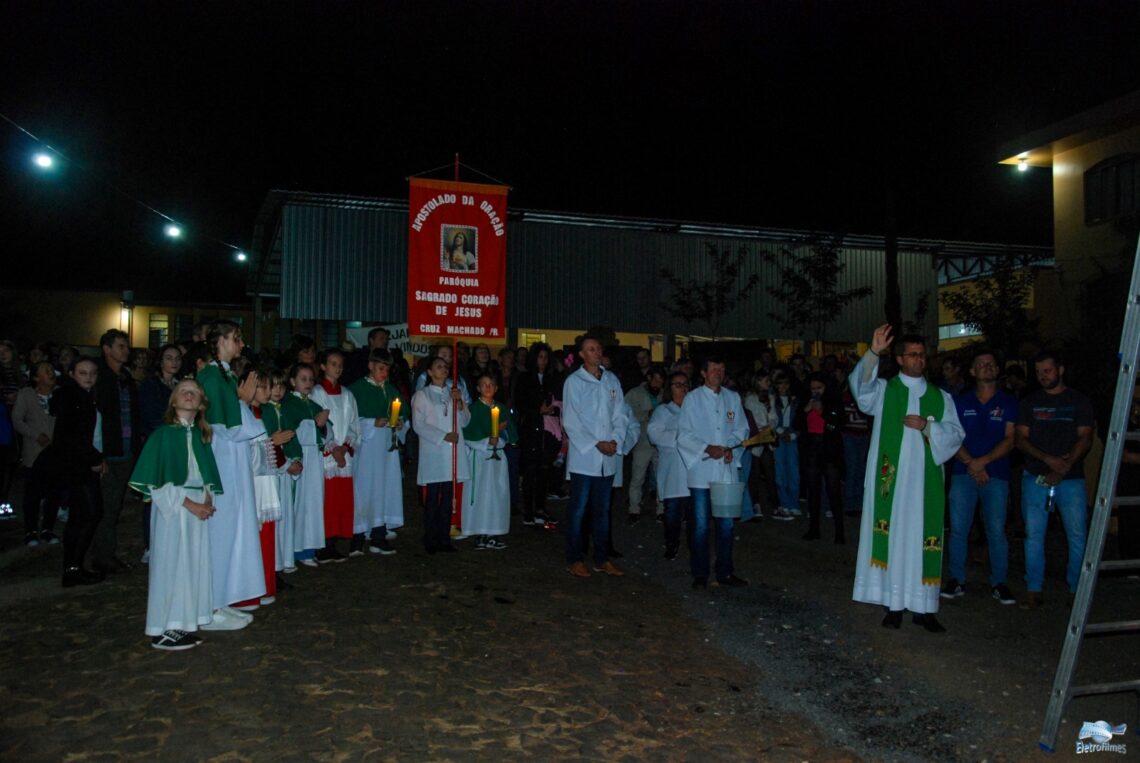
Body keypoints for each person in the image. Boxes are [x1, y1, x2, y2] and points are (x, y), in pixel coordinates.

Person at [849, 325, 964, 633]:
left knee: (921, 539)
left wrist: (928, 429)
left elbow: (955, 435)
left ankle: (925, 607)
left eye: (922, 355)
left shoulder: (940, 397)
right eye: (913, 355)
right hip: (893, 483)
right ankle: (893, 604)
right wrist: (873, 352)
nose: (919, 360)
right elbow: (860, 390)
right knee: (896, 539)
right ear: (899, 359)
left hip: (925, 484)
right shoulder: (886, 391)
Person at [128, 379, 222, 651]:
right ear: (173, 400)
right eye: (184, 391)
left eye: (195, 392)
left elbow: (206, 476)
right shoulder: (163, 436)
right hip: (174, 510)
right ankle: (164, 627)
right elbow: (156, 484)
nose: (190, 395)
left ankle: (183, 622)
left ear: (202, 402)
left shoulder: (202, 437)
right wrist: (190, 504)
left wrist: (206, 498)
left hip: (196, 510)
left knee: (191, 567)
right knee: (171, 566)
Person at [194, 321, 262, 628]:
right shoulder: (210, 375)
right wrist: (243, 402)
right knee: (219, 531)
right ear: (219, 340)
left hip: (232, 460)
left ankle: (221, 597)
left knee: (233, 527)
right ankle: (207, 606)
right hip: (221, 458)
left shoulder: (224, 373)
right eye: (236, 338)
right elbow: (226, 427)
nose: (241, 344)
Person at [1015, 350, 1095, 610]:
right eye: (1038, 372)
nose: (1042, 376)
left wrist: (1065, 465)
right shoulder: (1030, 402)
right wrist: (1048, 460)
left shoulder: (1079, 401)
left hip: (1070, 479)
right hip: (1036, 477)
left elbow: (1085, 437)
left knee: (1077, 534)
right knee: (1034, 535)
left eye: (1047, 371)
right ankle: (1033, 589)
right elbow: (1021, 439)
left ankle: (1077, 590)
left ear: (1060, 370)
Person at [941, 348, 1019, 605]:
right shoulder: (960, 402)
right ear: (972, 372)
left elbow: (1010, 440)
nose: (987, 367)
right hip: (963, 474)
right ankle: (956, 579)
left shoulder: (1008, 402)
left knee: (996, 531)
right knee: (959, 529)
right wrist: (970, 463)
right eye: (981, 364)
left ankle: (999, 583)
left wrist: (981, 463)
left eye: (991, 363)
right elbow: (953, 436)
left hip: (996, 475)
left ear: (997, 370)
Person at [677, 356, 750, 588]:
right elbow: (685, 434)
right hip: (702, 470)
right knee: (700, 525)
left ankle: (725, 571)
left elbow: (741, 429)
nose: (718, 372)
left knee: (726, 525)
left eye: (721, 368)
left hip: (725, 471)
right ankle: (700, 573)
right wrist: (707, 448)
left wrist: (731, 448)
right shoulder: (693, 399)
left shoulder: (732, 398)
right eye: (714, 369)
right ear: (703, 373)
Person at [562, 336, 629, 578]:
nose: (596, 352)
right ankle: (574, 558)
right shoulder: (574, 382)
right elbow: (571, 419)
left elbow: (621, 414)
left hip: (607, 457)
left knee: (603, 510)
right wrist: (595, 443)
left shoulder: (611, 380)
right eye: (591, 349)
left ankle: (602, 558)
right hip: (585, 457)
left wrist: (615, 441)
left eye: (599, 348)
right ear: (581, 354)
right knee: (579, 509)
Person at [35, 358, 106, 587]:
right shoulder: (71, 396)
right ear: (72, 373)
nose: (88, 377)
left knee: (84, 515)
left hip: (78, 462)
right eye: (83, 373)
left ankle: (73, 567)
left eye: (92, 373)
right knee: (88, 513)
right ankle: (72, 567)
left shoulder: (83, 397)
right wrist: (94, 458)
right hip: (77, 465)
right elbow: (72, 435)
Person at [91, 329, 142, 575]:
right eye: (120, 346)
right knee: (106, 507)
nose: (126, 350)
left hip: (125, 450)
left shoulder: (125, 378)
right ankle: (102, 556)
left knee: (113, 506)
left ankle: (104, 553)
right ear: (107, 349)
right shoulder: (99, 378)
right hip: (108, 452)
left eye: (126, 346)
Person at [348, 349, 405, 556]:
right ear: (370, 365)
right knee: (363, 489)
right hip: (366, 450)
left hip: (386, 450)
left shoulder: (391, 391)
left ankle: (378, 535)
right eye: (381, 368)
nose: (385, 373)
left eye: (388, 370)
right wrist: (373, 422)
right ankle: (358, 536)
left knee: (384, 488)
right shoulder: (356, 390)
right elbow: (350, 422)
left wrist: (399, 424)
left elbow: (403, 414)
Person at [413, 356, 470, 554]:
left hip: (452, 452)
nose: (443, 369)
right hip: (434, 452)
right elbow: (418, 424)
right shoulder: (423, 395)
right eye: (438, 366)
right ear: (429, 372)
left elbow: (464, 422)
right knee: (432, 499)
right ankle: (430, 537)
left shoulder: (453, 393)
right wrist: (443, 436)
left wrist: (460, 404)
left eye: (446, 367)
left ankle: (444, 538)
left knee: (447, 497)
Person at [310, 349, 359, 563]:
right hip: (326, 458)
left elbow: (354, 427)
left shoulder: (348, 395)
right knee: (325, 501)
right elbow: (316, 425)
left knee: (340, 501)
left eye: (340, 364)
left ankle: (336, 541)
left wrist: (344, 448)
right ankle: (323, 544)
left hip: (343, 457)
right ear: (323, 366)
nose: (337, 368)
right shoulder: (316, 393)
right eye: (332, 363)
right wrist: (332, 449)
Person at [462, 373, 517, 549]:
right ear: (478, 388)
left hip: (498, 458)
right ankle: (479, 532)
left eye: (491, 384)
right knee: (481, 495)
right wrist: (486, 441)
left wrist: (500, 435)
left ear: (496, 388)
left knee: (497, 495)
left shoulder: (500, 408)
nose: (488, 387)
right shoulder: (473, 410)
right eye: (484, 384)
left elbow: (511, 435)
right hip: (480, 458)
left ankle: (493, 531)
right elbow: (468, 435)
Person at [282, 362, 329, 568]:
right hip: (300, 458)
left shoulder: (314, 405)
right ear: (292, 381)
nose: (308, 383)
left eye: (311, 379)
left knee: (313, 504)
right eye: (303, 379)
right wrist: (312, 424)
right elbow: (290, 431)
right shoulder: (288, 404)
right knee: (298, 504)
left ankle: (308, 548)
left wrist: (323, 426)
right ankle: (293, 549)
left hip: (315, 461)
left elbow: (328, 435)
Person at [514, 342, 561, 527]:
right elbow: (520, 403)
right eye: (540, 357)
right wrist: (537, 410)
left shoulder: (552, 379)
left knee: (544, 470)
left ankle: (540, 507)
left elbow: (559, 403)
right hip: (531, 429)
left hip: (547, 431)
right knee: (530, 471)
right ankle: (528, 510)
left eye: (545, 357)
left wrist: (551, 410)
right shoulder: (525, 378)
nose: (543, 361)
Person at [13, 361, 59, 545]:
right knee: (33, 493)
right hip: (35, 451)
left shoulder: (59, 394)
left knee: (53, 492)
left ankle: (48, 528)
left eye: (51, 369)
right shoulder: (27, 395)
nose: (50, 373)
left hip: (56, 452)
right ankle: (30, 530)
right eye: (45, 371)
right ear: (35, 377)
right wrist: (35, 435)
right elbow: (17, 420)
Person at [648, 371, 692, 560]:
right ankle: (672, 544)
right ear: (669, 389)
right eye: (677, 384)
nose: (682, 388)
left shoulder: (695, 411)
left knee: (694, 512)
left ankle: (694, 545)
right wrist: (681, 438)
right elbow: (654, 434)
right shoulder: (663, 411)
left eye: (685, 384)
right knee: (672, 512)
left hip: (693, 470)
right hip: (672, 470)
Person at [801, 372, 846, 544]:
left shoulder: (833, 401)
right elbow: (798, 424)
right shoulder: (807, 401)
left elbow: (838, 424)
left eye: (819, 388)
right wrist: (805, 412)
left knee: (833, 491)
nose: (816, 391)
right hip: (812, 449)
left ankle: (839, 532)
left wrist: (823, 412)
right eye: (813, 388)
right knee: (813, 491)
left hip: (829, 450)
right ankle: (814, 529)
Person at [625, 367, 665, 523]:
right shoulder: (635, 393)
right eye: (655, 380)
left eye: (661, 381)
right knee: (637, 477)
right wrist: (645, 415)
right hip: (642, 442)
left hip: (660, 443)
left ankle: (661, 510)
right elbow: (624, 412)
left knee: (661, 478)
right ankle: (634, 509)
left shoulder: (664, 394)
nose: (658, 383)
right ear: (649, 378)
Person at [770, 371, 801, 518]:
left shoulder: (795, 401)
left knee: (793, 472)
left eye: (785, 383)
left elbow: (800, 422)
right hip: (779, 437)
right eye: (780, 383)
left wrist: (793, 435)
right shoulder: (772, 400)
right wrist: (781, 432)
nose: (783, 386)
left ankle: (794, 503)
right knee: (780, 472)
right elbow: (771, 421)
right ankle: (784, 503)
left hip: (792, 438)